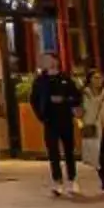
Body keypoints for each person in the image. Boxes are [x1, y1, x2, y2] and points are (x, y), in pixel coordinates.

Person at [31, 57, 85, 198]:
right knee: (53, 152)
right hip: (50, 122)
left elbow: (77, 97)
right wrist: (41, 115)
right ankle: (57, 181)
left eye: (51, 60)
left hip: (66, 119)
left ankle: (72, 180)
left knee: (69, 151)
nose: (49, 62)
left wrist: (65, 100)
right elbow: (34, 100)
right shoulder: (40, 81)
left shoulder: (66, 79)